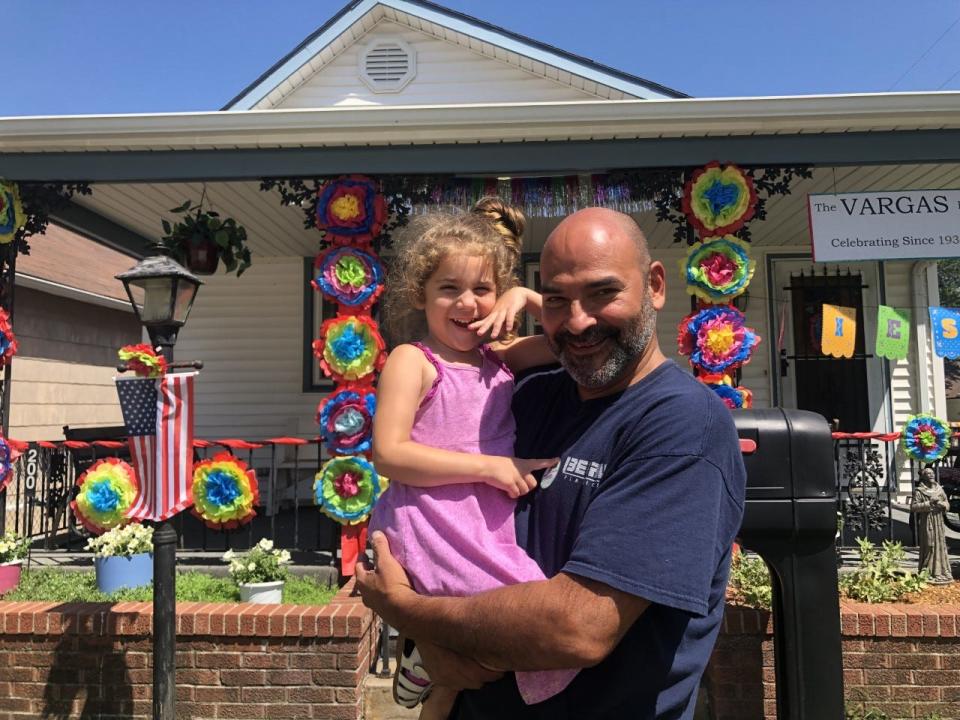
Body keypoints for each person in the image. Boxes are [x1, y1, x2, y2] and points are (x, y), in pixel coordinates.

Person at [358, 207, 748, 720]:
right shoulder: (534, 394)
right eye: (559, 297)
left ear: (655, 286)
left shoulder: (680, 425)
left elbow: (577, 629)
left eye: (603, 292)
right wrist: (431, 634)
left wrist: (410, 612)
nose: (580, 319)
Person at [369, 199, 578, 720]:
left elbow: (569, 343)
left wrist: (529, 296)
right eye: (449, 288)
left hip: (487, 521)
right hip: (434, 518)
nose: (467, 302)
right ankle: (430, 666)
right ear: (422, 294)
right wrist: (490, 467)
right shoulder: (413, 360)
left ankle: (428, 667)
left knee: (493, 642)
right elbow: (388, 454)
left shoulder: (501, 358)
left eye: (483, 289)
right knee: (524, 621)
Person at [911, 467, 953, 584]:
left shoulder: (939, 489)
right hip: (927, 522)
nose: (931, 475)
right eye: (928, 473)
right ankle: (927, 571)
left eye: (932, 473)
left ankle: (941, 572)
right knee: (929, 545)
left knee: (940, 544)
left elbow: (947, 504)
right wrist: (928, 503)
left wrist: (941, 504)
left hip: (938, 521)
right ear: (923, 477)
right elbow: (913, 507)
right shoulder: (919, 491)